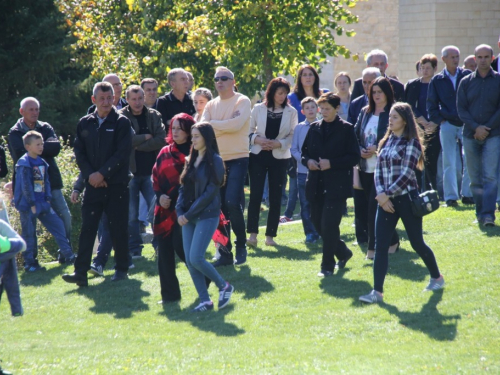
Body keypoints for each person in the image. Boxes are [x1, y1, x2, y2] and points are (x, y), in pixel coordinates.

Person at [359, 103, 445, 304]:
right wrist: (381, 194)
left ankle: (436, 278)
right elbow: (378, 171)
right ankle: (377, 292)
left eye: (395, 117)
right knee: (381, 245)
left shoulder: (412, 143)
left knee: (417, 243)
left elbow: (407, 174)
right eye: (390, 116)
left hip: (406, 198)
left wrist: (386, 194)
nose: (390, 120)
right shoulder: (385, 141)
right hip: (386, 199)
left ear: (405, 120)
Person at [62, 82, 132, 286]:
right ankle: (80, 272)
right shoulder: (85, 123)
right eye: (102, 98)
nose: (106, 102)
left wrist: (102, 174)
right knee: (88, 229)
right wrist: (91, 175)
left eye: (109, 98)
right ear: (93, 100)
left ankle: (121, 269)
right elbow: (79, 153)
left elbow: (122, 154)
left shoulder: (122, 122)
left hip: (116, 185)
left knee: (118, 228)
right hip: (93, 185)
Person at [176, 122, 234, 312]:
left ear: (207, 138)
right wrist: (179, 212)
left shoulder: (215, 160)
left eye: (197, 136)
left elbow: (210, 193)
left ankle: (223, 286)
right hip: (188, 216)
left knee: (196, 257)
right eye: (192, 136)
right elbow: (183, 188)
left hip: (207, 215)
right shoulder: (190, 159)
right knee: (190, 260)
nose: (193, 140)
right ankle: (205, 301)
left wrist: (189, 214)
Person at [301, 93, 360, 277]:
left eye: (328, 109)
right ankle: (343, 252)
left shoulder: (347, 129)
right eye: (322, 108)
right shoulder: (314, 128)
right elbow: (304, 153)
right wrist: (308, 161)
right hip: (316, 184)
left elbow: (354, 156)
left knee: (329, 225)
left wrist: (332, 163)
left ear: (337, 109)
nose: (324, 112)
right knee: (318, 224)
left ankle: (327, 266)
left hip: (337, 186)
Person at [8, 97, 73, 255]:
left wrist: (35, 149)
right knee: (30, 227)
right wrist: (44, 148)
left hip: (50, 182)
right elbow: (19, 154)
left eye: (37, 109)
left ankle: (65, 252)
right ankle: (32, 261)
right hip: (27, 188)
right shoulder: (15, 132)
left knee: (65, 217)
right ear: (22, 111)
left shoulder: (45, 127)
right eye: (31, 109)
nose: (35, 112)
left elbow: (56, 148)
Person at [201, 66, 251, 266]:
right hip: (216, 159)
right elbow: (204, 129)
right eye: (216, 79)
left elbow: (237, 125)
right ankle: (224, 250)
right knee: (218, 206)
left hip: (238, 158)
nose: (219, 81)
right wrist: (222, 125)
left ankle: (240, 244)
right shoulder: (211, 104)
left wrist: (215, 125)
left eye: (224, 78)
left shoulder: (242, 100)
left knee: (232, 202)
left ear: (233, 81)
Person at [247, 78, 297, 247]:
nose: (283, 96)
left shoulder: (291, 112)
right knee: (255, 196)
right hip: (258, 156)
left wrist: (279, 143)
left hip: (280, 158)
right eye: (280, 93)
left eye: (285, 93)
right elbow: (248, 131)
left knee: (276, 198)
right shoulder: (258, 108)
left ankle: (270, 237)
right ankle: (252, 235)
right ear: (272, 92)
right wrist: (257, 139)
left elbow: (292, 135)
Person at [14, 131, 74, 271]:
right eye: (38, 144)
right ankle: (30, 263)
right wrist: (32, 204)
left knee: (58, 225)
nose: (41, 147)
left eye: (42, 144)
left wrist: (48, 199)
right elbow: (25, 186)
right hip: (28, 206)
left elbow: (46, 182)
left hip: (43, 203)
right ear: (28, 147)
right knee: (29, 233)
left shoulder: (42, 162)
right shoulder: (23, 163)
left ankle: (69, 255)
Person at [355, 76, 400, 260]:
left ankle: (372, 251)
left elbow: (397, 138)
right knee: (366, 209)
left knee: (374, 209)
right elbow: (356, 135)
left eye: (379, 92)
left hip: (383, 170)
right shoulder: (365, 112)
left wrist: (378, 149)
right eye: (373, 92)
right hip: (364, 167)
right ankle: (394, 241)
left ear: (387, 93)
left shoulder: (394, 112)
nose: (376, 95)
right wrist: (360, 150)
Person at [119, 85, 166, 259]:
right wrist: (145, 138)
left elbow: (162, 139)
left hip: (152, 172)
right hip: (130, 173)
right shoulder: (121, 117)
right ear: (127, 100)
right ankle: (135, 249)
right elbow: (124, 142)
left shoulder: (154, 115)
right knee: (131, 216)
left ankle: (160, 246)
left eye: (140, 98)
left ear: (144, 97)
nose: (137, 102)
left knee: (157, 210)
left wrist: (138, 145)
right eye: (133, 99)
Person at [152, 113, 194, 303]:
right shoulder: (164, 152)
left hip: (184, 209)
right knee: (164, 254)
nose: (175, 132)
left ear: (188, 131)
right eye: (173, 128)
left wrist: (175, 198)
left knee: (181, 247)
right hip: (163, 209)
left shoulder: (195, 153)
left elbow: (193, 182)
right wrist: (160, 196)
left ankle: (208, 278)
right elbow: (156, 178)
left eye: (180, 128)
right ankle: (170, 296)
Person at [458, 44, 500, 227]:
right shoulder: (465, 82)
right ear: (474, 59)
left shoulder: (498, 80)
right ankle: (480, 212)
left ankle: (488, 214)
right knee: (475, 177)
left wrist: (486, 128)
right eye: (479, 57)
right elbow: (461, 109)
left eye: (486, 57)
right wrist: (476, 128)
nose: (483, 60)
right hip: (470, 135)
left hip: (493, 135)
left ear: (492, 58)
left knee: (490, 176)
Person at [427, 45, 473, 207]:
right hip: (447, 123)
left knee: (468, 158)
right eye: (452, 57)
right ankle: (451, 196)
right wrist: (440, 120)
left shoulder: (467, 76)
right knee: (449, 161)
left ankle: (468, 194)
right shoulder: (437, 80)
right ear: (444, 59)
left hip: (466, 123)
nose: (455, 60)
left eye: (457, 57)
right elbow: (431, 104)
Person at [348, 67, 381, 246]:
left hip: (381, 164)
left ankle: (382, 239)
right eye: (365, 83)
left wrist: (377, 147)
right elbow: (353, 132)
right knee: (360, 203)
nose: (368, 86)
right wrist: (359, 148)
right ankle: (363, 238)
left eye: (372, 82)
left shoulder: (390, 107)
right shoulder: (358, 105)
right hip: (362, 163)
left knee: (375, 204)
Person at [404, 54, 443, 194]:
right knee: (418, 160)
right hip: (418, 128)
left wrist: (434, 122)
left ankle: (435, 190)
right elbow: (409, 105)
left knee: (433, 160)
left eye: (428, 68)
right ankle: (420, 189)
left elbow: (443, 104)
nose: (425, 71)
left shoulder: (439, 84)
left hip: (436, 127)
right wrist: (424, 122)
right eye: (422, 67)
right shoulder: (413, 84)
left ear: (435, 68)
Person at [290, 97, 320, 243]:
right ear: (302, 111)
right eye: (307, 108)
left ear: (317, 109)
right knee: (305, 203)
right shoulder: (299, 128)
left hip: (321, 172)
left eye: (313, 107)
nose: (310, 110)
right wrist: (304, 161)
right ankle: (309, 232)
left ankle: (320, 230)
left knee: (320, 201)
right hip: (303, 172)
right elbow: (294, 149)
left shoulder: (323, 126)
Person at [0, 212, 26, 317]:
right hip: (6, 252)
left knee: (7, 264)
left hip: (5, 251)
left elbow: (22, 245)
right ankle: (17, 310)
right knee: (8, 268)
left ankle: (17, 310)